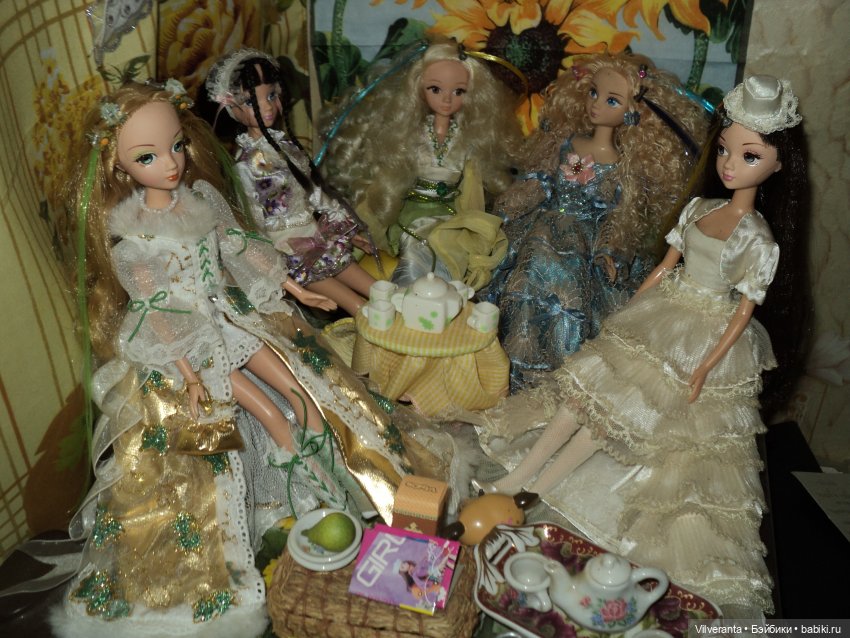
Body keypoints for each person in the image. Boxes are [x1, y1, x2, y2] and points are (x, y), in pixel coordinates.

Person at [50, 80, 416, 636]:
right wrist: (190, 375)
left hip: (235, 319)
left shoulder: (201, 199)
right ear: (118, 166)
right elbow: (157, 315)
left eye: (176, 146)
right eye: (147, 156)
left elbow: (239, 249)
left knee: (303, 393)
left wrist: (297, 289)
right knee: (268, 416)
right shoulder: (133, 241)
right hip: (196, 347)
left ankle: (343, 494)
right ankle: (302, 504)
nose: (170, 163)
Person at [473, 75, 809, 614]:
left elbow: (743, 312)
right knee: (583, 395)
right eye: (725, 150)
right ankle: (518, 475)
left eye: (749, 156)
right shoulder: (699, 209)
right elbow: (662, 268)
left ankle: (541, 488)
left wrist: (705, 367)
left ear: (778, 164)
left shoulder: (757, 239)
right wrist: (629, 311)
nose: (729, 165)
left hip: (698, 335)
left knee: (616, 417)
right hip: (660, 316)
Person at [484, 53, 708, 390]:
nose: (596, 104)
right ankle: (508, 372)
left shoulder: (624, 165)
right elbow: (539, 183)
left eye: (611, 100)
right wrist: (505, 212)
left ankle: (559, 380)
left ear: (632, 111)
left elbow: (621, 215)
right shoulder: (566, 143)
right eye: (593, 93)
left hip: (585, 242)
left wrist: (611, 250)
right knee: (521, 279)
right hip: (540, 228)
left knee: (571, 301)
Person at [320, 40, 522, 290]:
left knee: (450, 254)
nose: (446, 99)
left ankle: (444, 300)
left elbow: (472, 193)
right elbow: (389, 179)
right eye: (435, 89)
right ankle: (408, 298)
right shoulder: (412, 135)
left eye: (459, 91)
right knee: (417, 249)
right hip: (413, 215)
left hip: (451, 216)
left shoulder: (468, 140)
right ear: (418, 88)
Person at [206, 48, 375, 315]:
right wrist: (273, 264)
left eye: (271, 95)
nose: (267, 107)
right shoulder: (246, 165)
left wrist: (347, 230)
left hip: (318, 236)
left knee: (379, 289)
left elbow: (313, 191)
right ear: (231, 108)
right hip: (289, 252)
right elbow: (253, 221)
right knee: (359, 307)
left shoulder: (286, 146)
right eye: (251, 101)